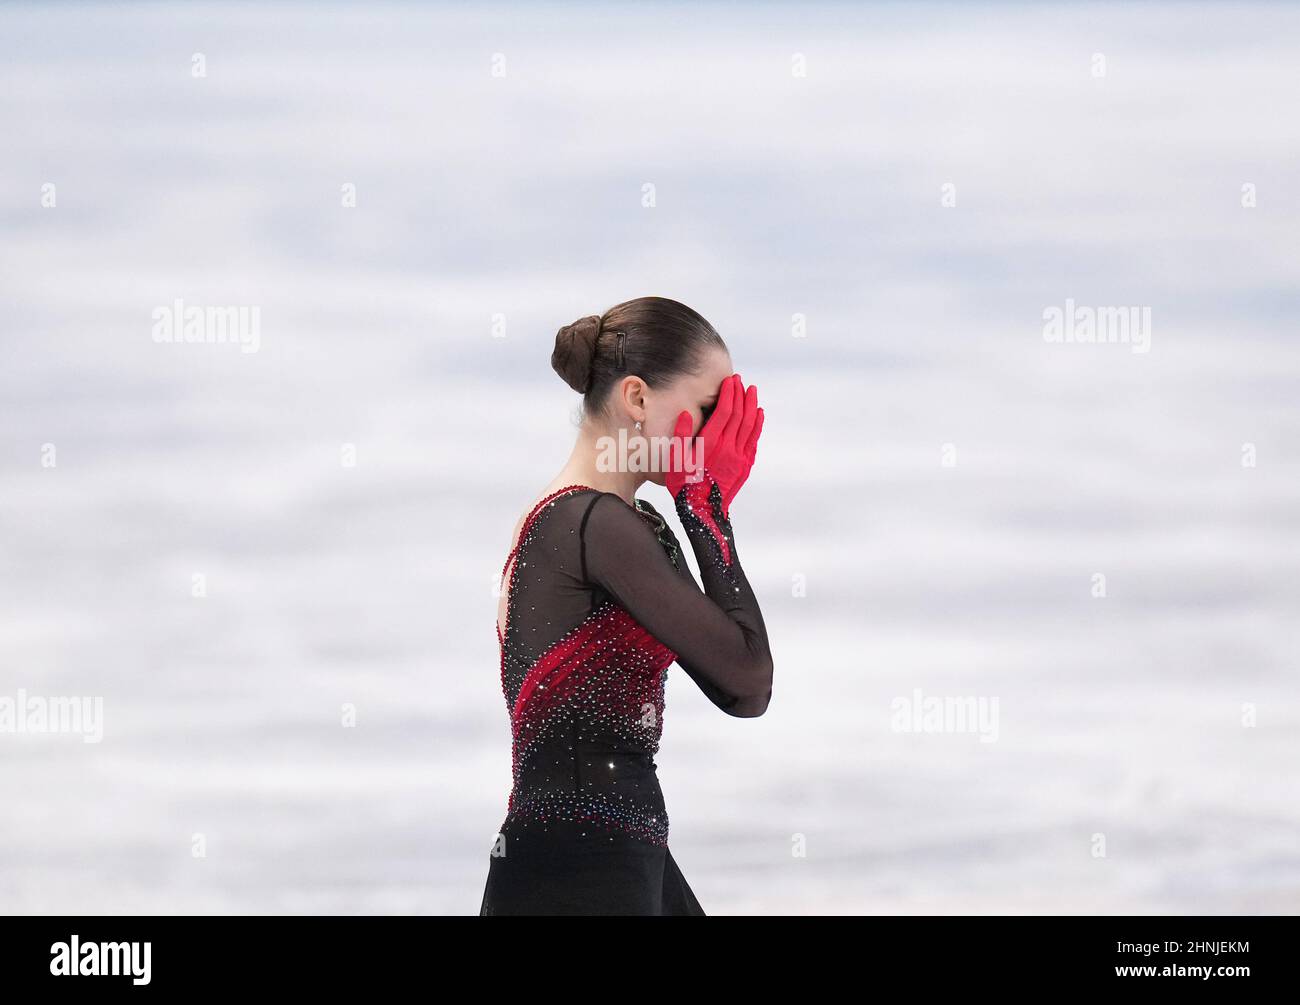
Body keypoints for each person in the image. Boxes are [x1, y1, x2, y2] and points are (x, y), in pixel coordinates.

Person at [479, 296, 772, 915]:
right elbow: (749, 672)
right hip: (578, 863)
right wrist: (707, 507)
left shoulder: (626, 527)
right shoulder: (590, 524)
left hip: (614, 850)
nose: (719, 431)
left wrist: (699, 509)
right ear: (637, 399)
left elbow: (742, 694)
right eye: (707, 410)